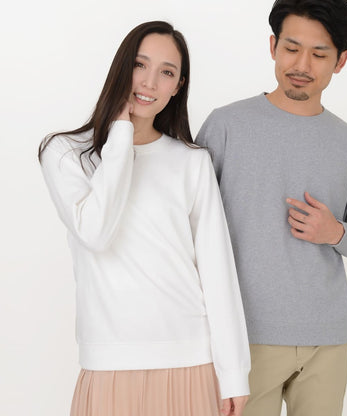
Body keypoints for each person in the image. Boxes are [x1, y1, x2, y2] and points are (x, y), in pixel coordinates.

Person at [39, 21, 250, 416]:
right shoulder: (65, 153)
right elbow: (96, 232)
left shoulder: (191, 161)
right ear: (122, 66)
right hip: (109, 360)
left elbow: (217, 270)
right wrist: (121, 135)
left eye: (166, 72)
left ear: (178, 86)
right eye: (140, 65)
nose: (150, 82)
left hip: (190, 358)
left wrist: (234, 374)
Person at [196, 1, 347, 415]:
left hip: (327, 338)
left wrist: (335, 232)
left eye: (319, 54)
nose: (301, 65)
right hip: (242, 336)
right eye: (291, 48)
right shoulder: (226, 126)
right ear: (273, 46)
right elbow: (190, 226)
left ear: (341, 61)